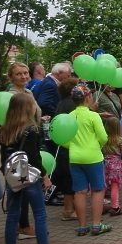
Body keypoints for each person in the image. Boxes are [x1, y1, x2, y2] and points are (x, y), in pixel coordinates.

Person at [0, 93, 68, 244]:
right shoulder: (31, 129)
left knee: (12, 216)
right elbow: (34, 159)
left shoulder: (4, 129)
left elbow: (4, 157)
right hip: (30, 177)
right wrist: (44, 176)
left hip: (13, 177)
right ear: (28, 107)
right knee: (39, 214)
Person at [65, 85, 111, 236]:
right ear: (87, 98)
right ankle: (96, 224)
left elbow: (64, 138)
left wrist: (72, 147)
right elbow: (103, 137)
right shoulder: (93, 116)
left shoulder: (69, 116)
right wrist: (97, 145)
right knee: (98, 190)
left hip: (75, 157)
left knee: (79, 191)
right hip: (93, 157)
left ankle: (82, 226)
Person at [7, 62, 43, 240]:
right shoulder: (10, 96)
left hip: (31, 140)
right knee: (20, 187)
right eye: (18, 74)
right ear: (11, 77)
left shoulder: (28, 92)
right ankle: (22, 225)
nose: (23, 76)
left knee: (27, 185)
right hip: (19, 145)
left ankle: (23, 225)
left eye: (25, 73)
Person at [48, 77, 80, 219]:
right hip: (68, 146)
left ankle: (70, 208)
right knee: (69, 178)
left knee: (67, 177)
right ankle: (68, 210)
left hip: (61, 145)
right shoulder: (72, 105)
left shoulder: (61, 103)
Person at [102, 117, 122, 215]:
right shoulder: (119, 139)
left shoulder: (103, 138)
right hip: (115, 164)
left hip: (104, 163)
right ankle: (115, 207)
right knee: (115, 185)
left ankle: (100, 206)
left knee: (103, 186)